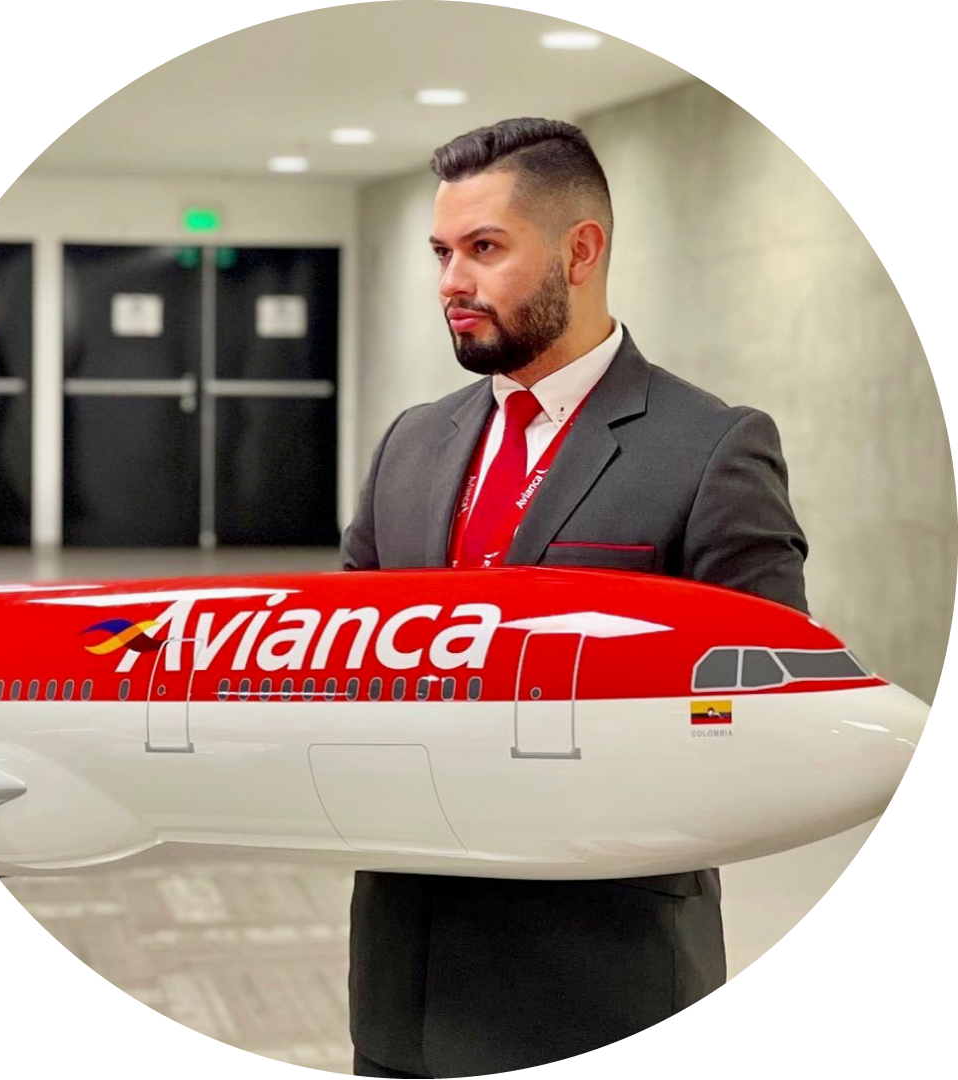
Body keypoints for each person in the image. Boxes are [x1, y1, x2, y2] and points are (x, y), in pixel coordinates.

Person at [341, 118, 808, 1077]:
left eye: (484, 249)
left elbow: (769, 713)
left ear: (581, 251)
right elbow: (341, 663)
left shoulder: (711, 448)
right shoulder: (410, 443)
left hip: (599, 977)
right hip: (403, 982)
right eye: (441, 253)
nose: (451, 282)